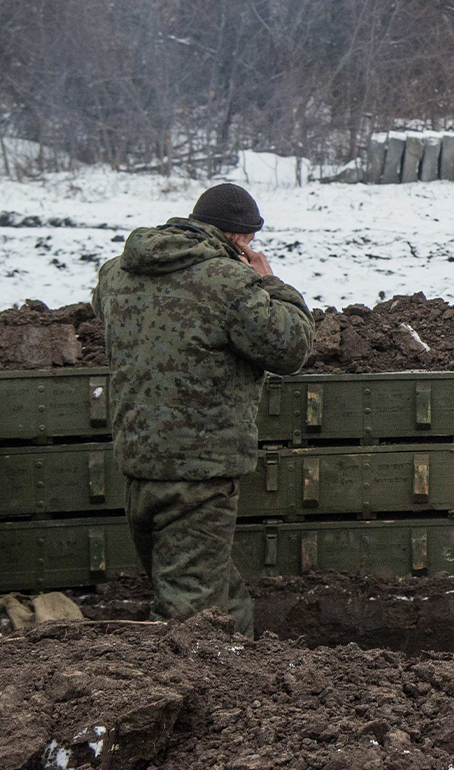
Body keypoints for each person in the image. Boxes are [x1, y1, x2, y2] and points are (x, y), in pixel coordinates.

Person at [92, 183, 314, 635]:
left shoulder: (116, 274)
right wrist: (270, 280)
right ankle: (172, 695)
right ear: (237, 239)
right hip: (199, 473)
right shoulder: (231, 283)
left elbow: (108, 311)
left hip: (139, 466)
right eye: (250, 243)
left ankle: (241, 674)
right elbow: (291, 346)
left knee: (214, 594)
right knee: (189, 615)